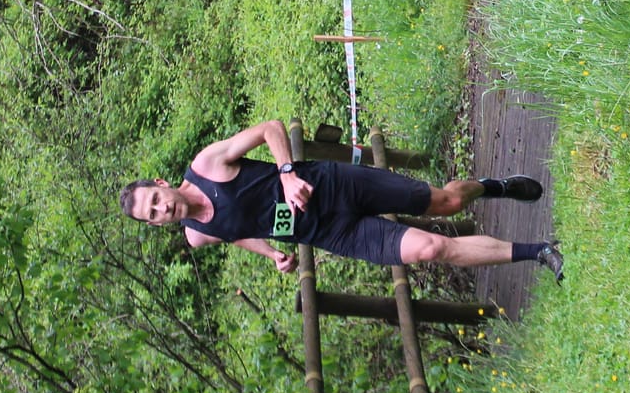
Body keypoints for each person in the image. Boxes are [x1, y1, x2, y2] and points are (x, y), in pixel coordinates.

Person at [119, 119, 562, 279]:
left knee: (445, 203)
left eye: (155, 200)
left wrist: (287, 174)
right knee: (432, 248)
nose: (162, 209)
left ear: (161, 183)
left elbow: (270, 128)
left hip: (335, 185)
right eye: (153, 216)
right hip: (335, 232)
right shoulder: (198, 236)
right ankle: (540, 253)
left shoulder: (208, 165)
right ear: (157, 225)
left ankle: (494, 187)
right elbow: (237, 233)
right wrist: (271, 253)